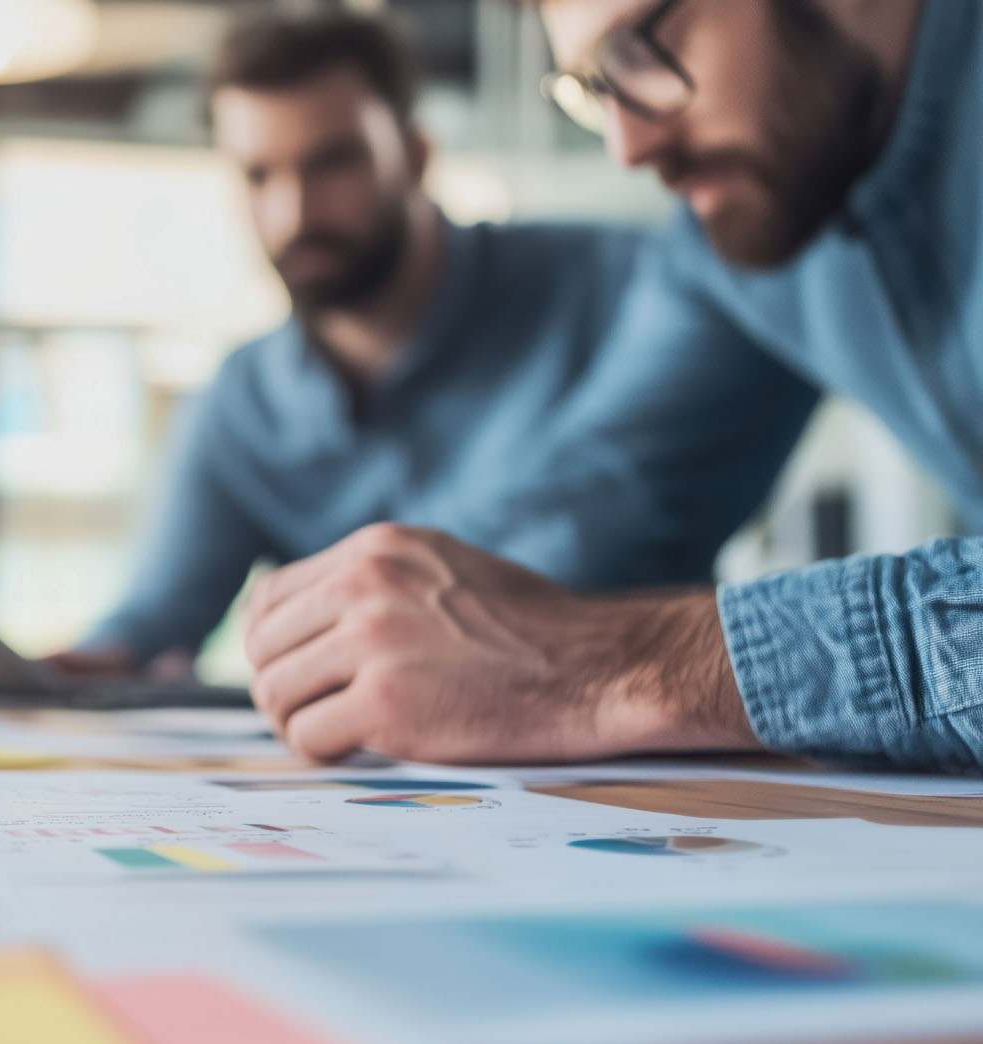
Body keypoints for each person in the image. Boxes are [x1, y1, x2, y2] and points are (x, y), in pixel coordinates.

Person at [245, 0, 983, 773]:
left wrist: (615, 663)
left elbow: (568, 638)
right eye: (596, 83)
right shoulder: (745, 230)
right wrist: (376, 611)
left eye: (641, 50)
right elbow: (601, 498)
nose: (628, 146)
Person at [52, 12, 816, 679]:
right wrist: (60, 671)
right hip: (380, 783)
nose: (295, 212)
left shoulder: (633, 287)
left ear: (416, 154)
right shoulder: (240, 401)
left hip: (634, 756)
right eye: (258, 176)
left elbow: (597, 519)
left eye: (334, 162)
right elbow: (150, 622)